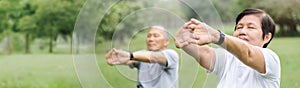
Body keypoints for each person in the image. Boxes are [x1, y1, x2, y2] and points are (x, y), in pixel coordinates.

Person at [175, 8, 280, 88]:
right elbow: (205, 54)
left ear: (267, 37)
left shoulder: (270, 58)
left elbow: (248, 54)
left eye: (250, 27)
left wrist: (217, 36)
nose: (242, 31)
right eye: (239, 27)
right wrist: (185, 42)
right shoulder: (227, 58)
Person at [106, 26, 179, 88]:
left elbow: (154, 57)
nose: (151, 39)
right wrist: (116, 59)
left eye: (156, 36)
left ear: (166, 41)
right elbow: (130, 60)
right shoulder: (141, 55)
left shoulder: (171, 54)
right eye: (149, 36)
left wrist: (130, 55)